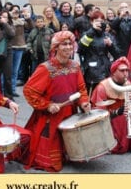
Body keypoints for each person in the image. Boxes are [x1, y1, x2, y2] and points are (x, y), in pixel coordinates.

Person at [23, 31, 91, 172]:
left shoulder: (75, 66)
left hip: (70, 113)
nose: (68, 47)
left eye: (70, 44)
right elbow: (29, 91)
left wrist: (84, 102)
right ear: (55, 48)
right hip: (51, 115)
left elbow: (81, 89)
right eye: (64, 44)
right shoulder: (45, 68)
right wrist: (47, 105)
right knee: (51, 162)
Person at [91, 57, 131, 154]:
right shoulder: (103, 87)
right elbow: (99, 114)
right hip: (108, 118)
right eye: (122, 70)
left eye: (127, 70)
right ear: (114, 72)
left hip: (122, 114)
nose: (125, 74)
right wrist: (117, 112)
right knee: (121, 118)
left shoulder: (128, 84)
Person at [78, 10, 120, 92]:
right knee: (93, 95)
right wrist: (92, 31)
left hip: (105, 70)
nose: (99, 23)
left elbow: (117, 55)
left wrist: (111, 45)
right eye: (96, 21)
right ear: (91, 22)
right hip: (91, 71)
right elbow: (80, 49)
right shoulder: (86, 34)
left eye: (101, 21)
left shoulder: (107, 35)